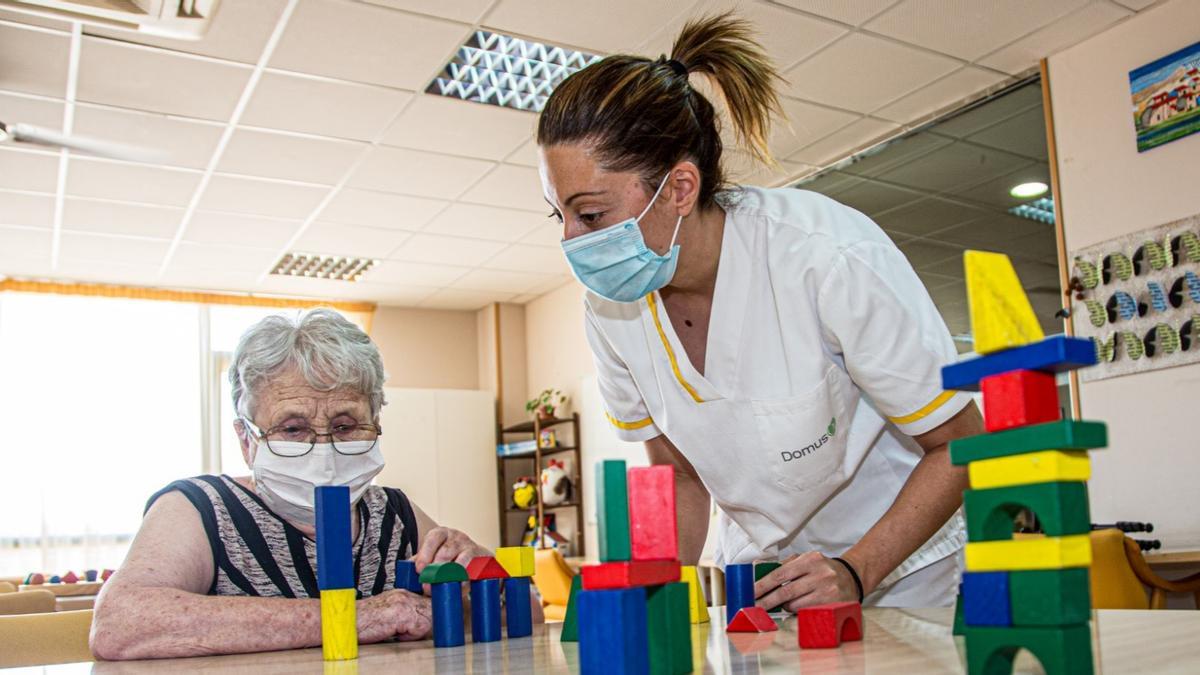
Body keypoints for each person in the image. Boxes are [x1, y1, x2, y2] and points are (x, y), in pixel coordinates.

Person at [538, 13, 984, 610]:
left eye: (590, 215)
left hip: (900, 569)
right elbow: (681, 477)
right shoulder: (611, 310)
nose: (570, 240)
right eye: (557, 215)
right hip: (759, 575)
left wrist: (855, 571)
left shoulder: (825, 256)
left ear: (679, 188)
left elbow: (958, 445)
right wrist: (649, 599)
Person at [90, 309, 540, 659]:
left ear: (376, 423)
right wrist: (355, 619)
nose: (322, 448)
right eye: (293, 428)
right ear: (247, 438)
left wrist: (483, 576)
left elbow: (529, 614)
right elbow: (119, 624)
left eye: (346, 426)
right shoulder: (200, 507)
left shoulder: (393, 512)